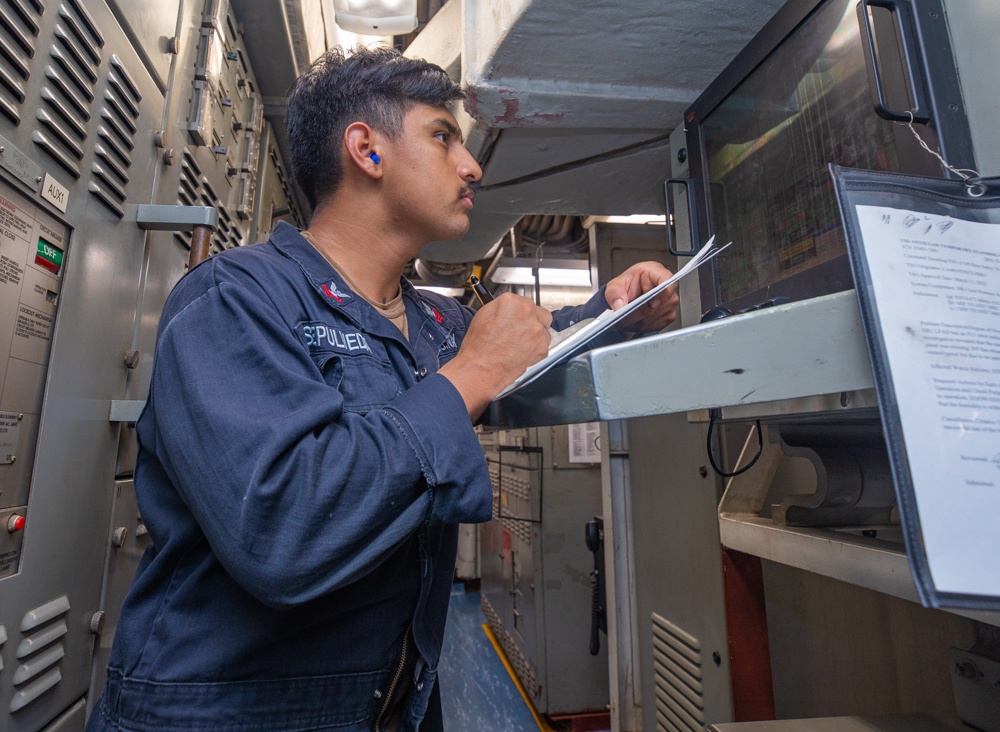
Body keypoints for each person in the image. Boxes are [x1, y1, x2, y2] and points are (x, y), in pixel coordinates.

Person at [88, 46, 679, 732]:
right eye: (442, 135)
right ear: (366, 151)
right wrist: (471, 375)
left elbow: (537, 349)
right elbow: (284, 529)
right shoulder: (233, 301)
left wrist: (616, 309)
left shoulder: (433, 322)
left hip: (389, 706)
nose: (471, 165)